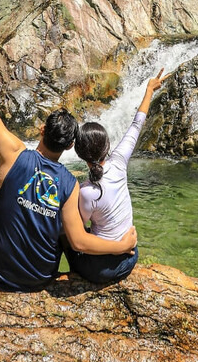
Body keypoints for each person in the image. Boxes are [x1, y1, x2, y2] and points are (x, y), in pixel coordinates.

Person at [0, 29, 137, 291]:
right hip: (41, 277)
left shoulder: (12, 154)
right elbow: (78, 241)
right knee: (64, 228)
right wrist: (121, 246)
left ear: (41, 130)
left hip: (4, 275)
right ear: (70, 146)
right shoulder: (69, 185)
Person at [66, 69, 168, 283]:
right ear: (107, 146)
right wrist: (149, 90)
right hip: (131, 256)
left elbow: (80, 232)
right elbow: (136, 124)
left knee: (64, 230)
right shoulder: (119, 163)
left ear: (79, 154)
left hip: (103, 270)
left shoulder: (86, 191)